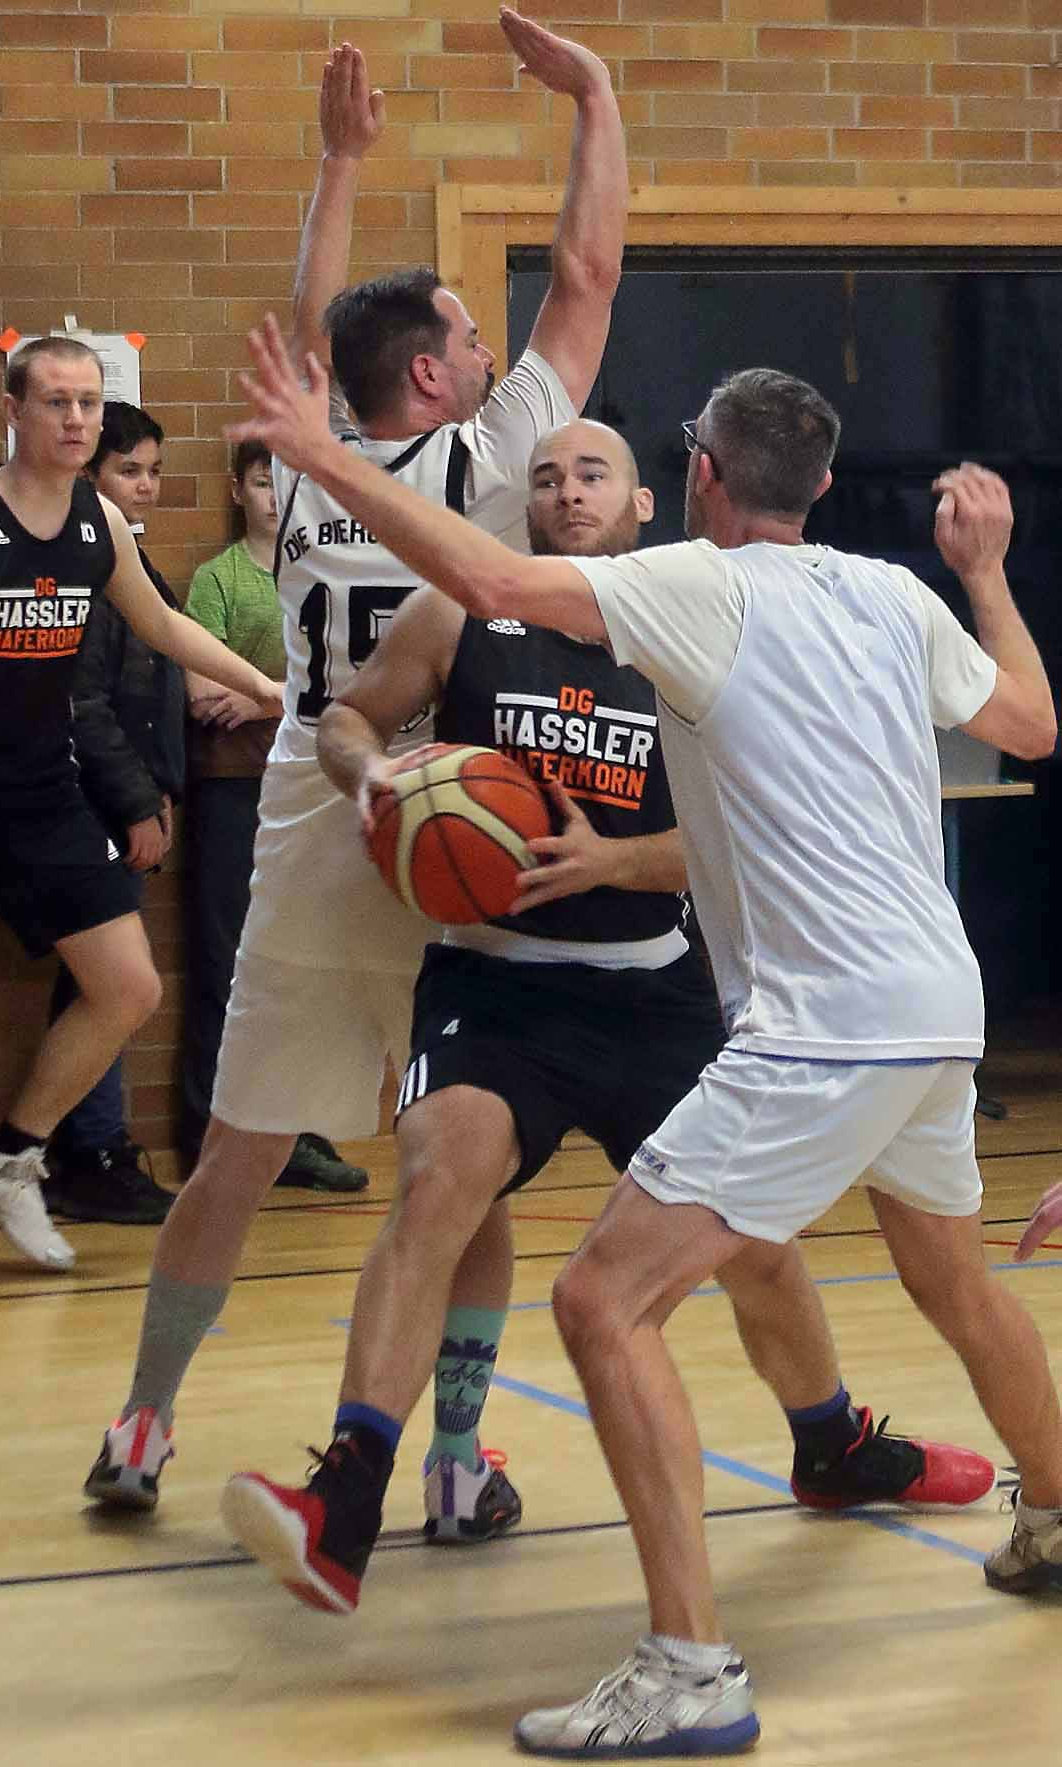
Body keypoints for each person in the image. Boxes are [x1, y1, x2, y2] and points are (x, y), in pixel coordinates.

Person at [220, 332, 1062, 1756]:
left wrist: (316, 457)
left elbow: (490, 580)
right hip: (937, 1004)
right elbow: (1031, 723)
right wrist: (984, 571)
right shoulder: (889, 590)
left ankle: (688, 1668)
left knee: (603, 1302)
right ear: (823, 485)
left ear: (699, 476)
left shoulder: (694, 583)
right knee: (951, 1277)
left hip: (822, 1022)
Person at [82, 11, 628, 1509]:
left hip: (317, 816)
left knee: (236, 1156)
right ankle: (450, 1460)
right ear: (440, 380)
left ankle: (140, 1427)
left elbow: (312, 328)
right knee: (462, 1169)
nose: (490, 348)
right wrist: (593, 98)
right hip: (463, 831)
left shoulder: (310, 463)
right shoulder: (491, 469)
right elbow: (586, 277)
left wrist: (336, 163)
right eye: (472, 338)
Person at [0, 335, 283, 1273]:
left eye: (88, 403)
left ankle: (8, 1160)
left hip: (40, 790)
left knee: (129, 987)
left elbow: (162, 622)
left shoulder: (99, 521)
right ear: (13, 410)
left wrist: (266, 686)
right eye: (55, 401)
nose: (74, 419)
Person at [181, 438, 366, 1192]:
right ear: (239, 489)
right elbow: (201, 694)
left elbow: (348, 683)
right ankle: (210, 1133)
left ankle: (302, 1133)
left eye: (284, 483)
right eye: (263, 482)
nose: (273, 497)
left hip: (313, 785)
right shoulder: (217, 579)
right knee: (227, 960)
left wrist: (261, 697)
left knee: (311, 963)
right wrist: (290, 693)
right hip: (231, 790)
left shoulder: (326, 569)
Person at [43, 399, 183, 1226]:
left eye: (154, 472)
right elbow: (84, 704)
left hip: (123, 796)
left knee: (101, 982)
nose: (146, 486)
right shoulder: (87, 571)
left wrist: (161, 786)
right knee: (108, 983)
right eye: (129, 470)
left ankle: (85, 1148)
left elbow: (150, 690)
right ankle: (90, 1151)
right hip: (88, 805)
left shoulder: (131, 561)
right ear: (90, 478)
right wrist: (134, 801)